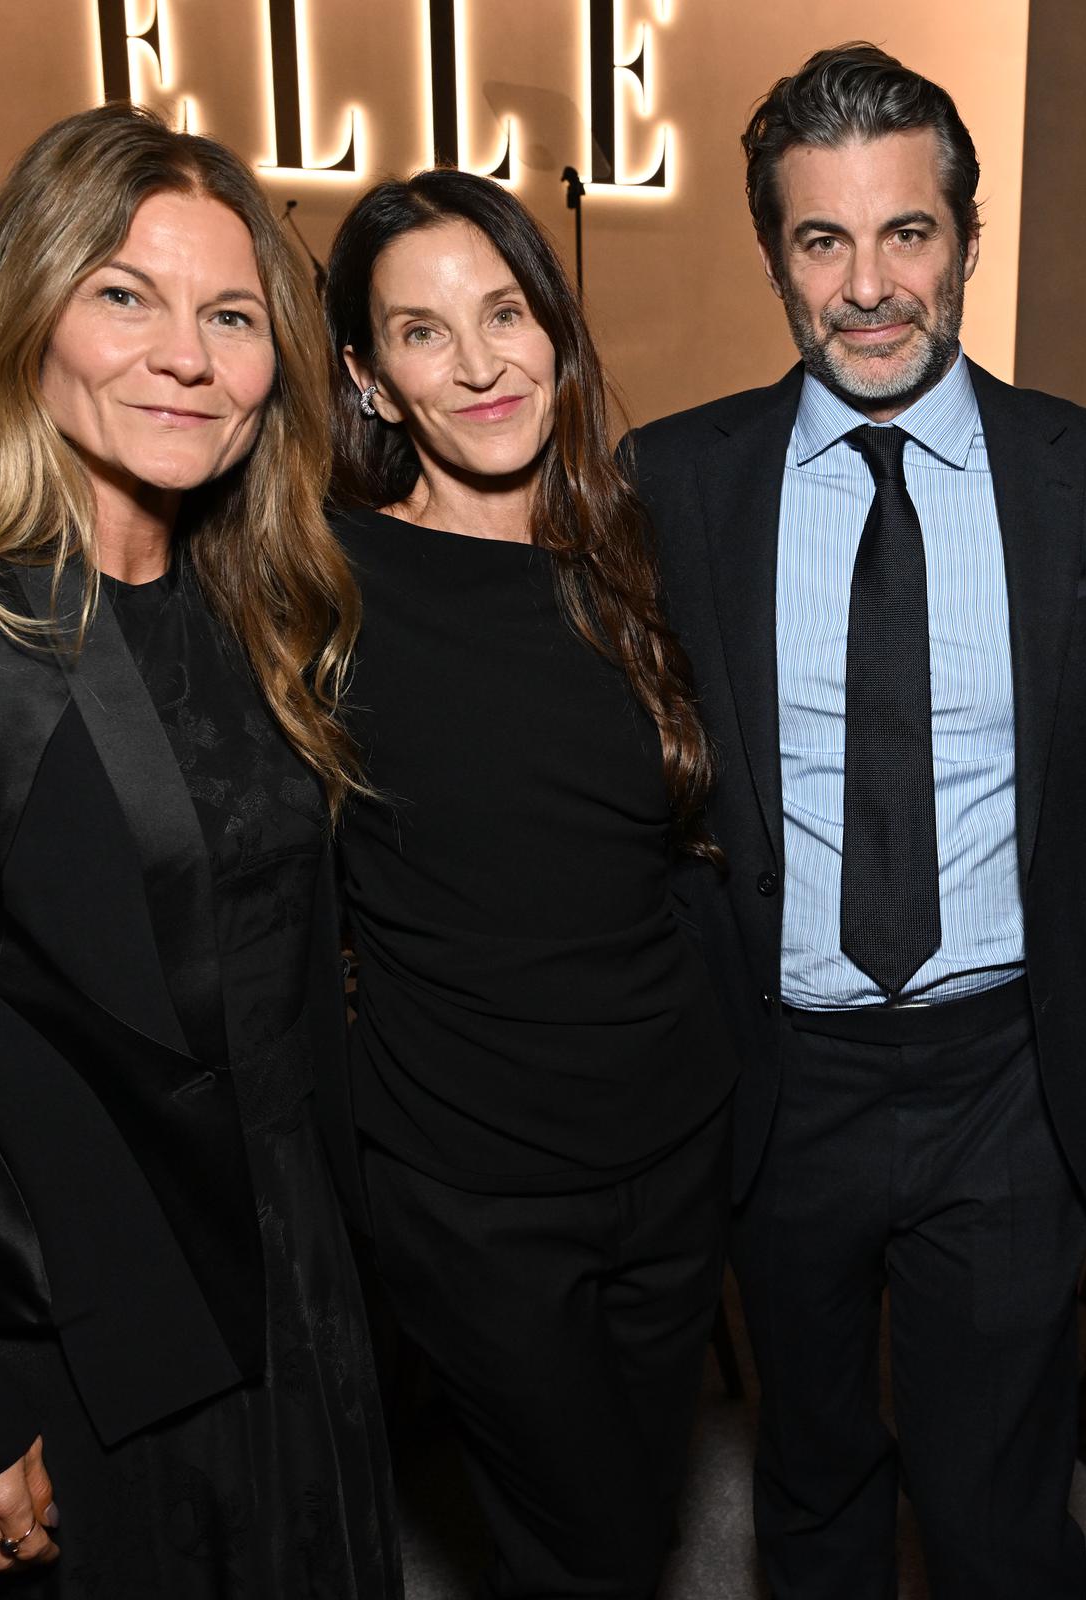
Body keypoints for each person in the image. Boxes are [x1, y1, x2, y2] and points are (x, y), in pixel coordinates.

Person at [0, 105, 398, 1595]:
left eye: (232, 315)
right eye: (125, 294)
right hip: (73, 1333)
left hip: (295, 1284)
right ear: (22, 311)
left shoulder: (271, 616)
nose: (187, 354)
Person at [627, 43, 1086, 1599]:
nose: (870, 286)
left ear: (966, 240)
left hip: (1007, 1072)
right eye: (823, 239)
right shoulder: (671, 484)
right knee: (810, 1483)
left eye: (907, 233)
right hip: (776, 1070)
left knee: (997, 1500)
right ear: (775, 257)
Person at [321, 169, 735, 1599]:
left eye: (506, 312)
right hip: (470, 1190)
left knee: (638, 1515)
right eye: (426, 334)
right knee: (589, 1548)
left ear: (557, 330)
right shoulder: (320, 587)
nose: (484, 362)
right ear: (370, 381)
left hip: (672, 1155)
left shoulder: (636, 557)